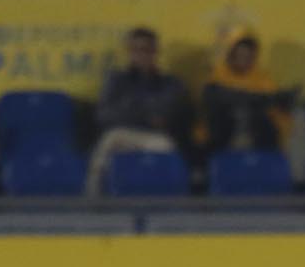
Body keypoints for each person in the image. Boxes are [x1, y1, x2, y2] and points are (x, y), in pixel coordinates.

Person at [87, 27, 193, 196]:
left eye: (146, 49)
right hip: (123, 134)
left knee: (168, 148)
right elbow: (104, 115)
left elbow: (166, 115)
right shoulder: (117, 80)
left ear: (155, 52)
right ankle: (93, 201)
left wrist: (130, 108)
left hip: (156, 137)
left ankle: (171, 202)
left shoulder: (169, 83)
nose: (141, 55)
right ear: (129, 52)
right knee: (108, 141)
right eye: (135, 50)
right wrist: (145, 113)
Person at [198, 28, 291, 156]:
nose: (244, 58)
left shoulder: (264, 81)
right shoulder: (217, 77)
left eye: (248, 55)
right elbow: (216, 99)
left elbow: (278, 110)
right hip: (221, 141)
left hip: (258, 139)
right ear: (231, 54)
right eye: (240, 54)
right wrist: (257, 100)